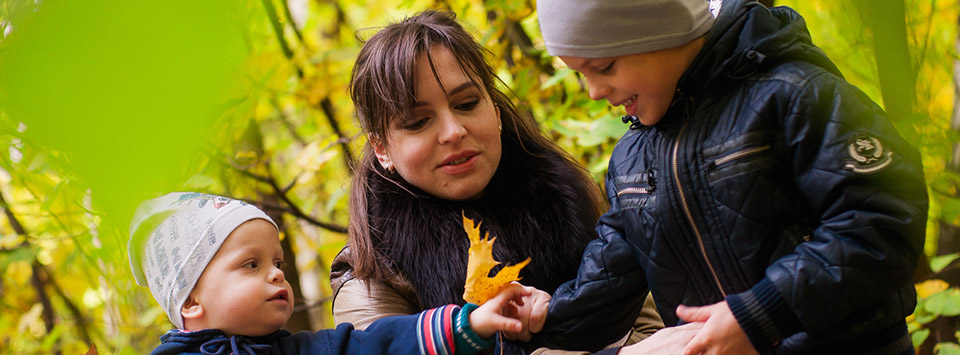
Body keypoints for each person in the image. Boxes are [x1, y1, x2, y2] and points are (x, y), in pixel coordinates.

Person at [531, 0, 928, 354]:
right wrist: (542, 319)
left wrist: (761, 314)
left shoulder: (793, 95)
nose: (594, 90)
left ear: (660, 28)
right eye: (580, 73)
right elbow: (610, 281)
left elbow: (881, 224)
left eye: (603, 66)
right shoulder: (632, 159)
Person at [330, 10, 665, 353]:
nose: (453, 131)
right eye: (417, 122)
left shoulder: (571, 203)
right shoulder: (371, 271)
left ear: (494, 107)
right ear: (381, 148)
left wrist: (566, 312)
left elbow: (654, 332)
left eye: (467, 103)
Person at [127, 192, 542, 355]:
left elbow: (378, 345)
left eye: (277, 263)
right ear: (191, 301)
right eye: (250, 265)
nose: (275, 276)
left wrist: (471, 322)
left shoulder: (305, 351)